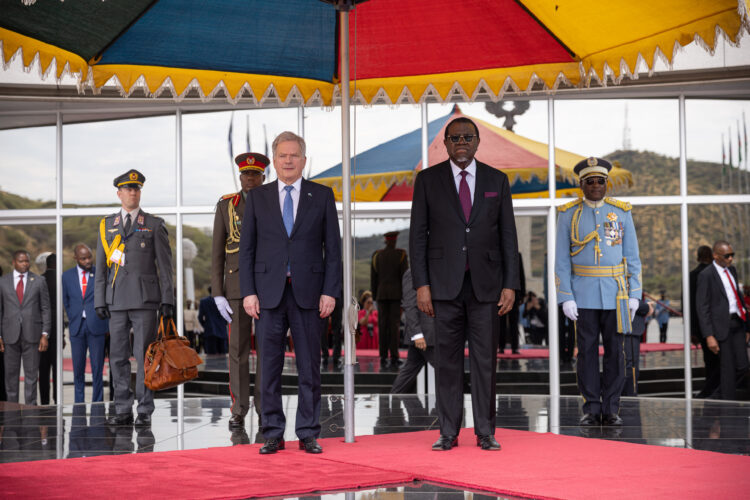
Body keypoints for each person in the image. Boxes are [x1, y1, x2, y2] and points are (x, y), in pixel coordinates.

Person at [410, 117, 519, 451]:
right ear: (444, 143)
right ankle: (448, 431)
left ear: (476, 142)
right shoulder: (427, 181)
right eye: (454, 137)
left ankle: (485, 431)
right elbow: (417, 237)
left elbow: (507, 236)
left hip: (486, 287)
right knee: (447, 362)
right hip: (443, 288)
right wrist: (421, 284)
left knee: (486, 361)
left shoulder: (496, 180)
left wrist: (510, 284)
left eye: (467, 137)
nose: (461, 142)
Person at [239, 131, 341, 455]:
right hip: (267, 295)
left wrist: (330, 291)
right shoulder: (257, 198)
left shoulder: (321, 196)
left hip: (310, 294)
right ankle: (272, 432)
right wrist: (248, 292)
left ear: (304, 160)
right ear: (275, 160)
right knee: (269, 367)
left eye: (293, 155)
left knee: (310, 366)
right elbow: (247, 250)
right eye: (282, 155)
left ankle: (308, 432)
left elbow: (333, 251)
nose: (288, 161)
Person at [555, 157, 641, 427]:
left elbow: (633, 257)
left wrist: (635, 292)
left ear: (607, 184)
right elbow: (561, 261)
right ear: (581, 185)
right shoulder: (568, 214)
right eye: (589, 181)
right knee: (587, 353)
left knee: (617, 353)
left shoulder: (621, 212)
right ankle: (591, 407)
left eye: (600, 181)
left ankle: (612, 407)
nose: (595, 186)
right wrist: (566, 297)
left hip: (616, 294)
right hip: (584, 295)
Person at [95, 169, 174, 427]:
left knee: (144, 357)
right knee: (117, 357)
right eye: (128, 189)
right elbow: (101, 268)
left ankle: (144, 409)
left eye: (136, 189)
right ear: (119, 193)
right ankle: (122, 408)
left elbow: (165, 267)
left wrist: (168, 300)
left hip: (145, 300)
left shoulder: (153, 224)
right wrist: (99, 300)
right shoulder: (107, 225)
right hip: (116, 300)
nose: (132, 192)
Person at [211, 152, 268, 430]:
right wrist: (217, 292)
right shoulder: (226, 206)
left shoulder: (274, 202)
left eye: (255, 174)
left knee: (268, 349)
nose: (249, 179)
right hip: (235, 287)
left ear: (263, 177)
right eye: (246, 174)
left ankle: (264, 405)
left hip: (269, 286)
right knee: (237, 351)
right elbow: (216, 252)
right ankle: (239, 407)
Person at [696, 240, 750, 401]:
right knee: (727, 369)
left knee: (743, 366)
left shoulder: (732, 270)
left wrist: (747, 326)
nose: (730, 259)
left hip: (738, 323)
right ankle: (726, 405)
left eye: (732, 255)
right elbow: (702, 307)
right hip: (720, 327)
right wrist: (709, 335)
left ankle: (715, 397)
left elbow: (738, 298)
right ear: (715, 255)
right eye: (727, 256)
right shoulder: (705, 275)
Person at [0, 250, 50, 405]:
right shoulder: (3, 281)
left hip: (33, 335)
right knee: (11, 378)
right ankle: (12, 412)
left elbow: (46, 308)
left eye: (27, 261)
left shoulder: (39, 281)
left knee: (31, 377)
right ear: (14, 262)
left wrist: (45, 333)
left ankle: (31, 412)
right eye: (21, 261)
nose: (25, 264)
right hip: (10, 336)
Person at [62, 244, 109, 403]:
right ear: (76, 258)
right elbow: (66, 301)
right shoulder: (66, 276)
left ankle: (97, 404)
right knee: (78, 370)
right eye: (83, 258)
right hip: (77, 328)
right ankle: (79, 404)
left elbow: (108, 299)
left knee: (97, 369)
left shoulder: (100, 273)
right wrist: (73, 317)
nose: (88, 260)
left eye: (89, 257)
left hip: (97, 326)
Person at [390, 268, 436, 393]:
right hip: (425, 335)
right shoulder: (412, 273)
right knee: (446, 371)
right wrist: (417, 334)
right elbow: (409, 305)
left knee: (410, 369)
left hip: (429, 333)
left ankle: (391, 401)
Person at [371, 231, 408, 369]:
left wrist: (375, 297)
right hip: (396, 296)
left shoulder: (377, 255)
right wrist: (405, 298)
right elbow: (404, 278)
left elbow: (373, 279)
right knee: (394, 327)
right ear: (394, 241)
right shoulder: (401, 255)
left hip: (381, 295)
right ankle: (394, 356)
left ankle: (383, 356)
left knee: (382, 326)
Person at [690, 245, 720, 398]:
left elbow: (688, 306)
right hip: (718, 324)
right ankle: (711, 390)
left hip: (700, 326)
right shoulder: (715, 274)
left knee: (709, 360)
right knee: (717, 360)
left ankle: (710, 389)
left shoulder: (691, 276)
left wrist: (692, 330)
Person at [622, 299, 653, 396]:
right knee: (630, 365)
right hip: (627, 327)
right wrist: (646, 307)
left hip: (629, 327)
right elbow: (628, 300)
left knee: (630, 365)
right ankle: (629, 396)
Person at [39, 253, 58, 404]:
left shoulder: (40, 280)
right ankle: (57, 399)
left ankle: (44, 401)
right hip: (57, 329)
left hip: (41, 330)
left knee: (43, 370)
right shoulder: (59, 280)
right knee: (56, 368)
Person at [499, 253, 525, 354]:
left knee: (514, 321)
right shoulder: (499, 254)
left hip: (515, 293)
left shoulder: (517, 255)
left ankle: (515, 347)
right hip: (500, 293)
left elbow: (521, 275)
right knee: (500, 321)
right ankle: (501, 346)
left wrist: (522, 294)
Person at [198, 288, 228, 354]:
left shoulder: (204, 301)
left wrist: (205, 325)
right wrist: (224, 324)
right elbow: (227, 315)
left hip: (210, 330)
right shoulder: (224, 301)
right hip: (222, 330)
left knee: (211, 357)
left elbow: (200, 317)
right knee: (223, 356)